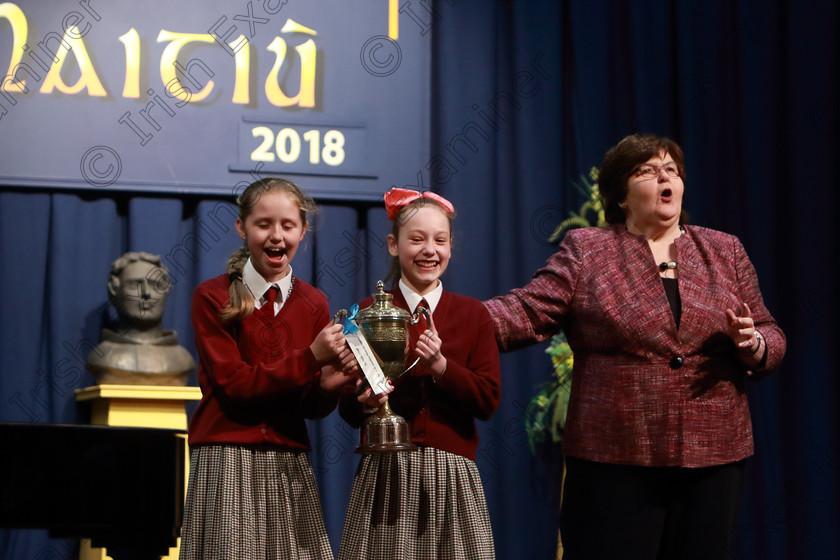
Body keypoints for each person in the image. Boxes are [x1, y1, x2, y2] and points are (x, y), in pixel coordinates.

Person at [484, 134, 786, 560]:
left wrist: (752, 342)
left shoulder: (723, 249)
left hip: (712, 455)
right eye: (647, 170)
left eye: (672, 170)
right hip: (615, 455)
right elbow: (524, 311)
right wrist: (448, 318)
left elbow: (771, 333)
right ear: (620, 196)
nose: (665, 177)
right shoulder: (589, 250)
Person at [180, 178, 359, 560]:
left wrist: (331, 385)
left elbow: (308, 405)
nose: (276, 236)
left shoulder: (314, 302)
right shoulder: (212, 297)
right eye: (263, 224)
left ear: (303, 230)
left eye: (287, 225)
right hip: (227, 459)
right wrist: (312, 357)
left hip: (288, 462)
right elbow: (234, 385)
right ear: (242, 228)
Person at [337, 188, 502, 560]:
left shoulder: (473, 314)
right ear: (394, 245)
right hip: (387, 471)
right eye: (417, 239)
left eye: (439, 240)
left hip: (452, 473)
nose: (430, 250)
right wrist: (363, 402)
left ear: (449, 247)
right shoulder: (368, 312)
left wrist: (443, 367)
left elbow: (488, 400)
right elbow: (347, 408)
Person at [86, 251, 194, 385]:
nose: (146, 293)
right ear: (114, 291)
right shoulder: (102, 357)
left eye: (155, 285)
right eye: (135, 285)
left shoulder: (182, 359)